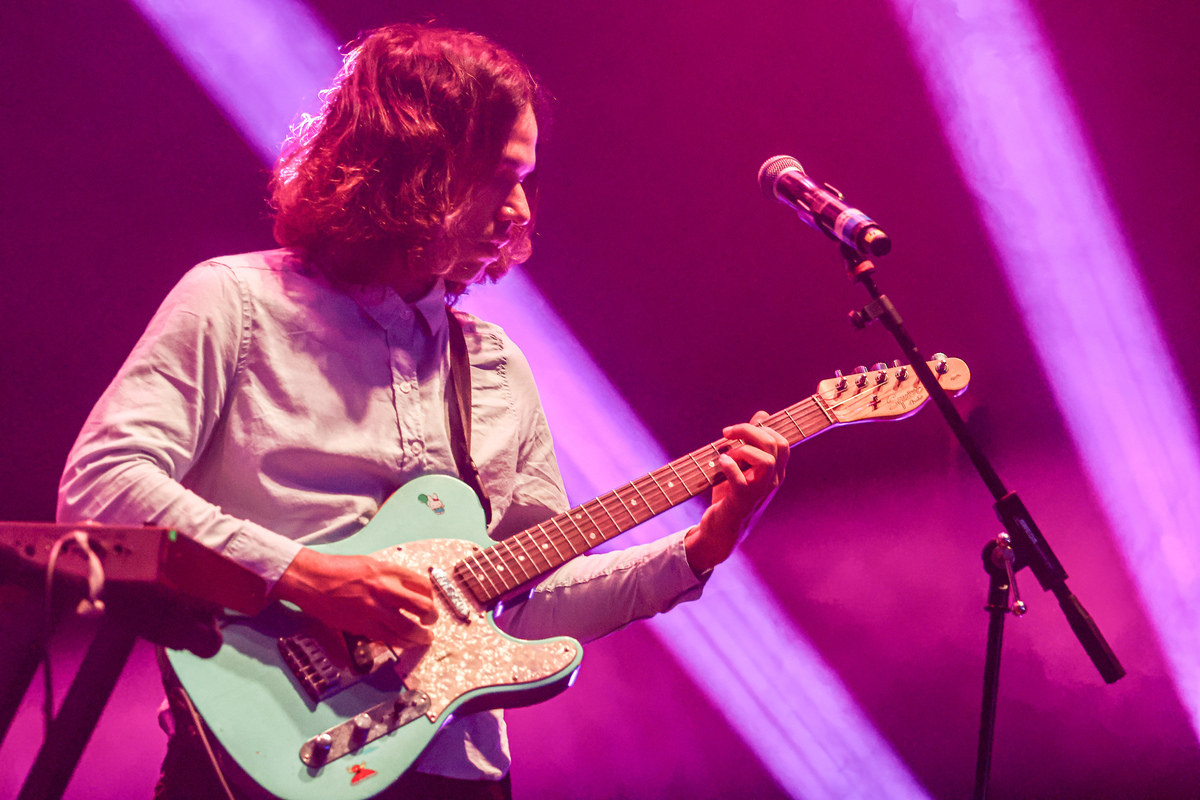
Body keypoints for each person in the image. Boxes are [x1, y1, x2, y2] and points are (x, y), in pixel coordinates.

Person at [57, 23, 788, 800]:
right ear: (411, 166)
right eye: (497, 177)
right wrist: (304, 575)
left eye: (526, 179)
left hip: (455, 772)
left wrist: (701, 547)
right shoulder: (235, 303)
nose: (519, 210)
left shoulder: (496, 366)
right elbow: (101, 485)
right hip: (260, 760)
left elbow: (520, 610)